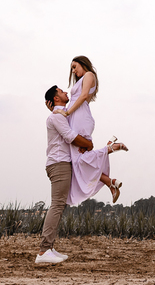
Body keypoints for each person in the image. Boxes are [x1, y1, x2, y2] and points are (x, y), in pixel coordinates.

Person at [57, 55, 128, 204]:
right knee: (79, 160)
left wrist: (68, 113)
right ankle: (110, 182)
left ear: (83, 64)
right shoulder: (82, 80)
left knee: (79, 160)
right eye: (72, 69)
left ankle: (111, 148)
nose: (74, 71)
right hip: (76, 118)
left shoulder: (89, 75)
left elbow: (83, 97)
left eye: (75, 67)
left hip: (80, 117)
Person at [38, 84, 93, 265]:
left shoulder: (60, 114)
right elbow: (70, 136)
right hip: (59, 163)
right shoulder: (56, 118)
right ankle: (44, 250)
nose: (66, 92)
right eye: (61, 91)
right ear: (55, 98)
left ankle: (50, 247)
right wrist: (89, 144)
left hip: (61, 163)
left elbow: (70, 114)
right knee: (57, 205)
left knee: (60, 205)